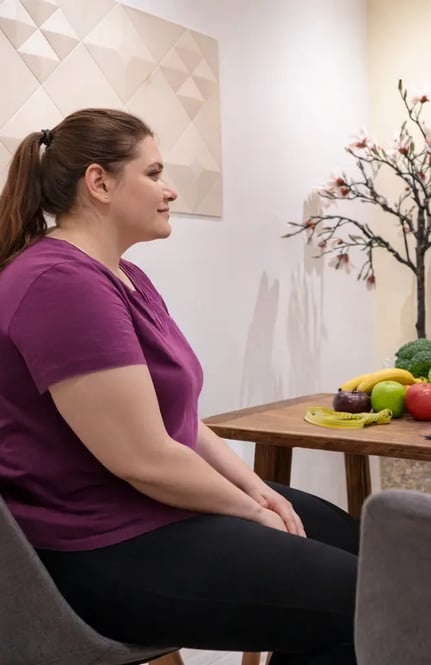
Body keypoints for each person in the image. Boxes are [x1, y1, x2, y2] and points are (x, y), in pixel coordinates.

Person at [0, 109, 359, 664]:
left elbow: (181, 425)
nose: (170, 190)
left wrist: (254, 489)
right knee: (362, 602)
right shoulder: (59, 284)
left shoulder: (123, 275)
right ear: (99, 183)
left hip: (150, 510)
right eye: (154, 173)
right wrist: (252, 513)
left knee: (355, 546)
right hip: (97, 547)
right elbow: (144, 458)